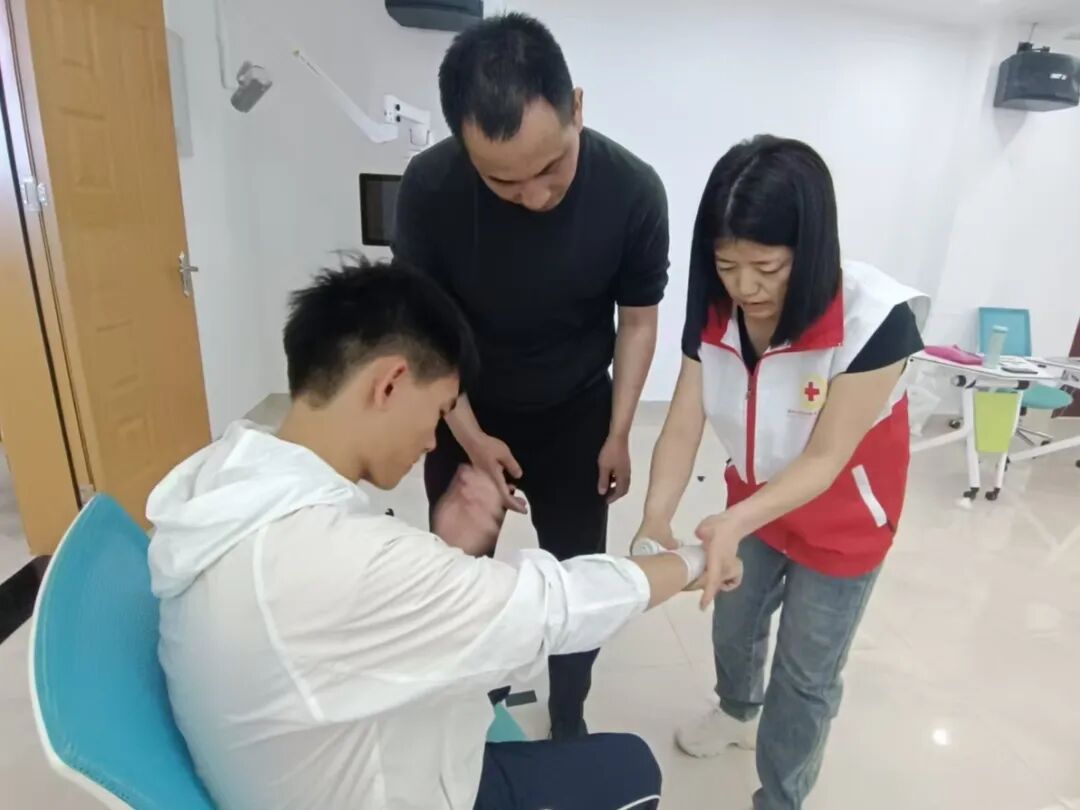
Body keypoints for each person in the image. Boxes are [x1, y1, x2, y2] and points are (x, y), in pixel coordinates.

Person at [147, 258, 706, 810]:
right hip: (386, 787)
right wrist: (694, 562)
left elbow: (359, 621)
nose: (434, 441)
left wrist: (446, 555)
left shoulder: (226, 481)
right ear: (390, 383)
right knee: (631, 769)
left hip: (313, 750)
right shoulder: (329, 557)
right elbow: (552, 609)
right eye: (439, 411)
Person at [394, 12, 670, 740]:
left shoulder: (633, 190)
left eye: (552, 168)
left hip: (577, 416)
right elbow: (424, 332)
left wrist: (619, 433)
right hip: (465, 411)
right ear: (463, 145)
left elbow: (637, 322)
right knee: (461, 582)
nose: (536, 196)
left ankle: (569, 709)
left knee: (579, 582)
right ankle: (472, 712)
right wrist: (470, 437)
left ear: (577, 106)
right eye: (503, 181)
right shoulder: (430, 188)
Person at [635, 136, 928, 810]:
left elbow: (825, 459)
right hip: (755, 499)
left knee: (806, 673)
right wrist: (655, 517)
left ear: (812, 249)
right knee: (733, 623)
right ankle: (737, 711)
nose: (745, 287)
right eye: (727, 265)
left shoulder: (875, 320)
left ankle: (782, 797)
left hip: (844, 521)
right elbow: (683, 420)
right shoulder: (714, 307)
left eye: (767, 267)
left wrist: (731, 521)